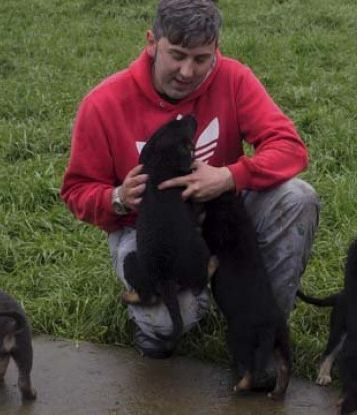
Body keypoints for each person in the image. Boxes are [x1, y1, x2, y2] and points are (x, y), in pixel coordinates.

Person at [60, 0, 320, 359]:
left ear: (216, 50)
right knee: (168, 324)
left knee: (297, 197)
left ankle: (263, 328)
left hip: (221, 214)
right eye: (177, 55)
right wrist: (118, 197)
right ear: (152, 42)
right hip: (151, 233)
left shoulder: (233, 78)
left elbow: (290, 148)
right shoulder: (104, 102)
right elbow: (76, 190)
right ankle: (179, 307)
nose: (187, 71)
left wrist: (229, 176)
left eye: (201, 59)